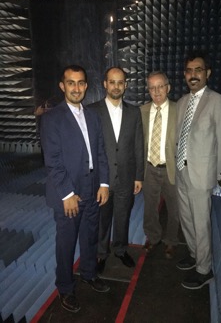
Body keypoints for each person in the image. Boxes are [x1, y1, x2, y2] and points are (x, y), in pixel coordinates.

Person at [40, 65, 110, 313]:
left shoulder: (92, 116)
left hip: (92, 187)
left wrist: (104, 183)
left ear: (86, 86)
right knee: (66, 243)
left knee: (90, 236)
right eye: (71, 83)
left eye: (81, 83)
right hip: (68, 192)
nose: (77, 88)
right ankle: (66, 288)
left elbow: (100, 151)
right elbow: (53, 161)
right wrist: (67, 195)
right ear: (62, 86)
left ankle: (89, 273)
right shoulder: (51, 118)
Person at [175, 51, 221, 289]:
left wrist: (215, 173)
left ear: (207, 73)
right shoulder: (181, 102)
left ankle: (204, 269)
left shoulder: (217, 101)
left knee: (201, 223)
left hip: (202, 174)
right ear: (184, 75)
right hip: (182, 171)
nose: (193, 75)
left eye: (198, 70)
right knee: (187, 220)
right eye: (189, 71)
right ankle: (193, 255)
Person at [88, 67, 144, 274]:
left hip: (127, 177)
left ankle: (120, 249)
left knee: (123, 216)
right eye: (112, 82)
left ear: (126, 85)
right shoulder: (92, 111)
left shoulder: (134, 112)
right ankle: (101, 253)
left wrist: (139, 176)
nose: (116, 86)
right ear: (105, 84)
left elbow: (139, 145)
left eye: (120, 82)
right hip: (102, 179)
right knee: (103, 219)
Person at [140, 71, 179, 259]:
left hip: (170, 168)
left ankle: (171, 241)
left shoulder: (179, 110)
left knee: (174, 208)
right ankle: (153, 237)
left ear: (168, 88)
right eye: (152, 87)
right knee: (149, 207)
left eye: (160, 86)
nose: (156, 91)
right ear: (148, 90)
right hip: (149, 168)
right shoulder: (142, 111)